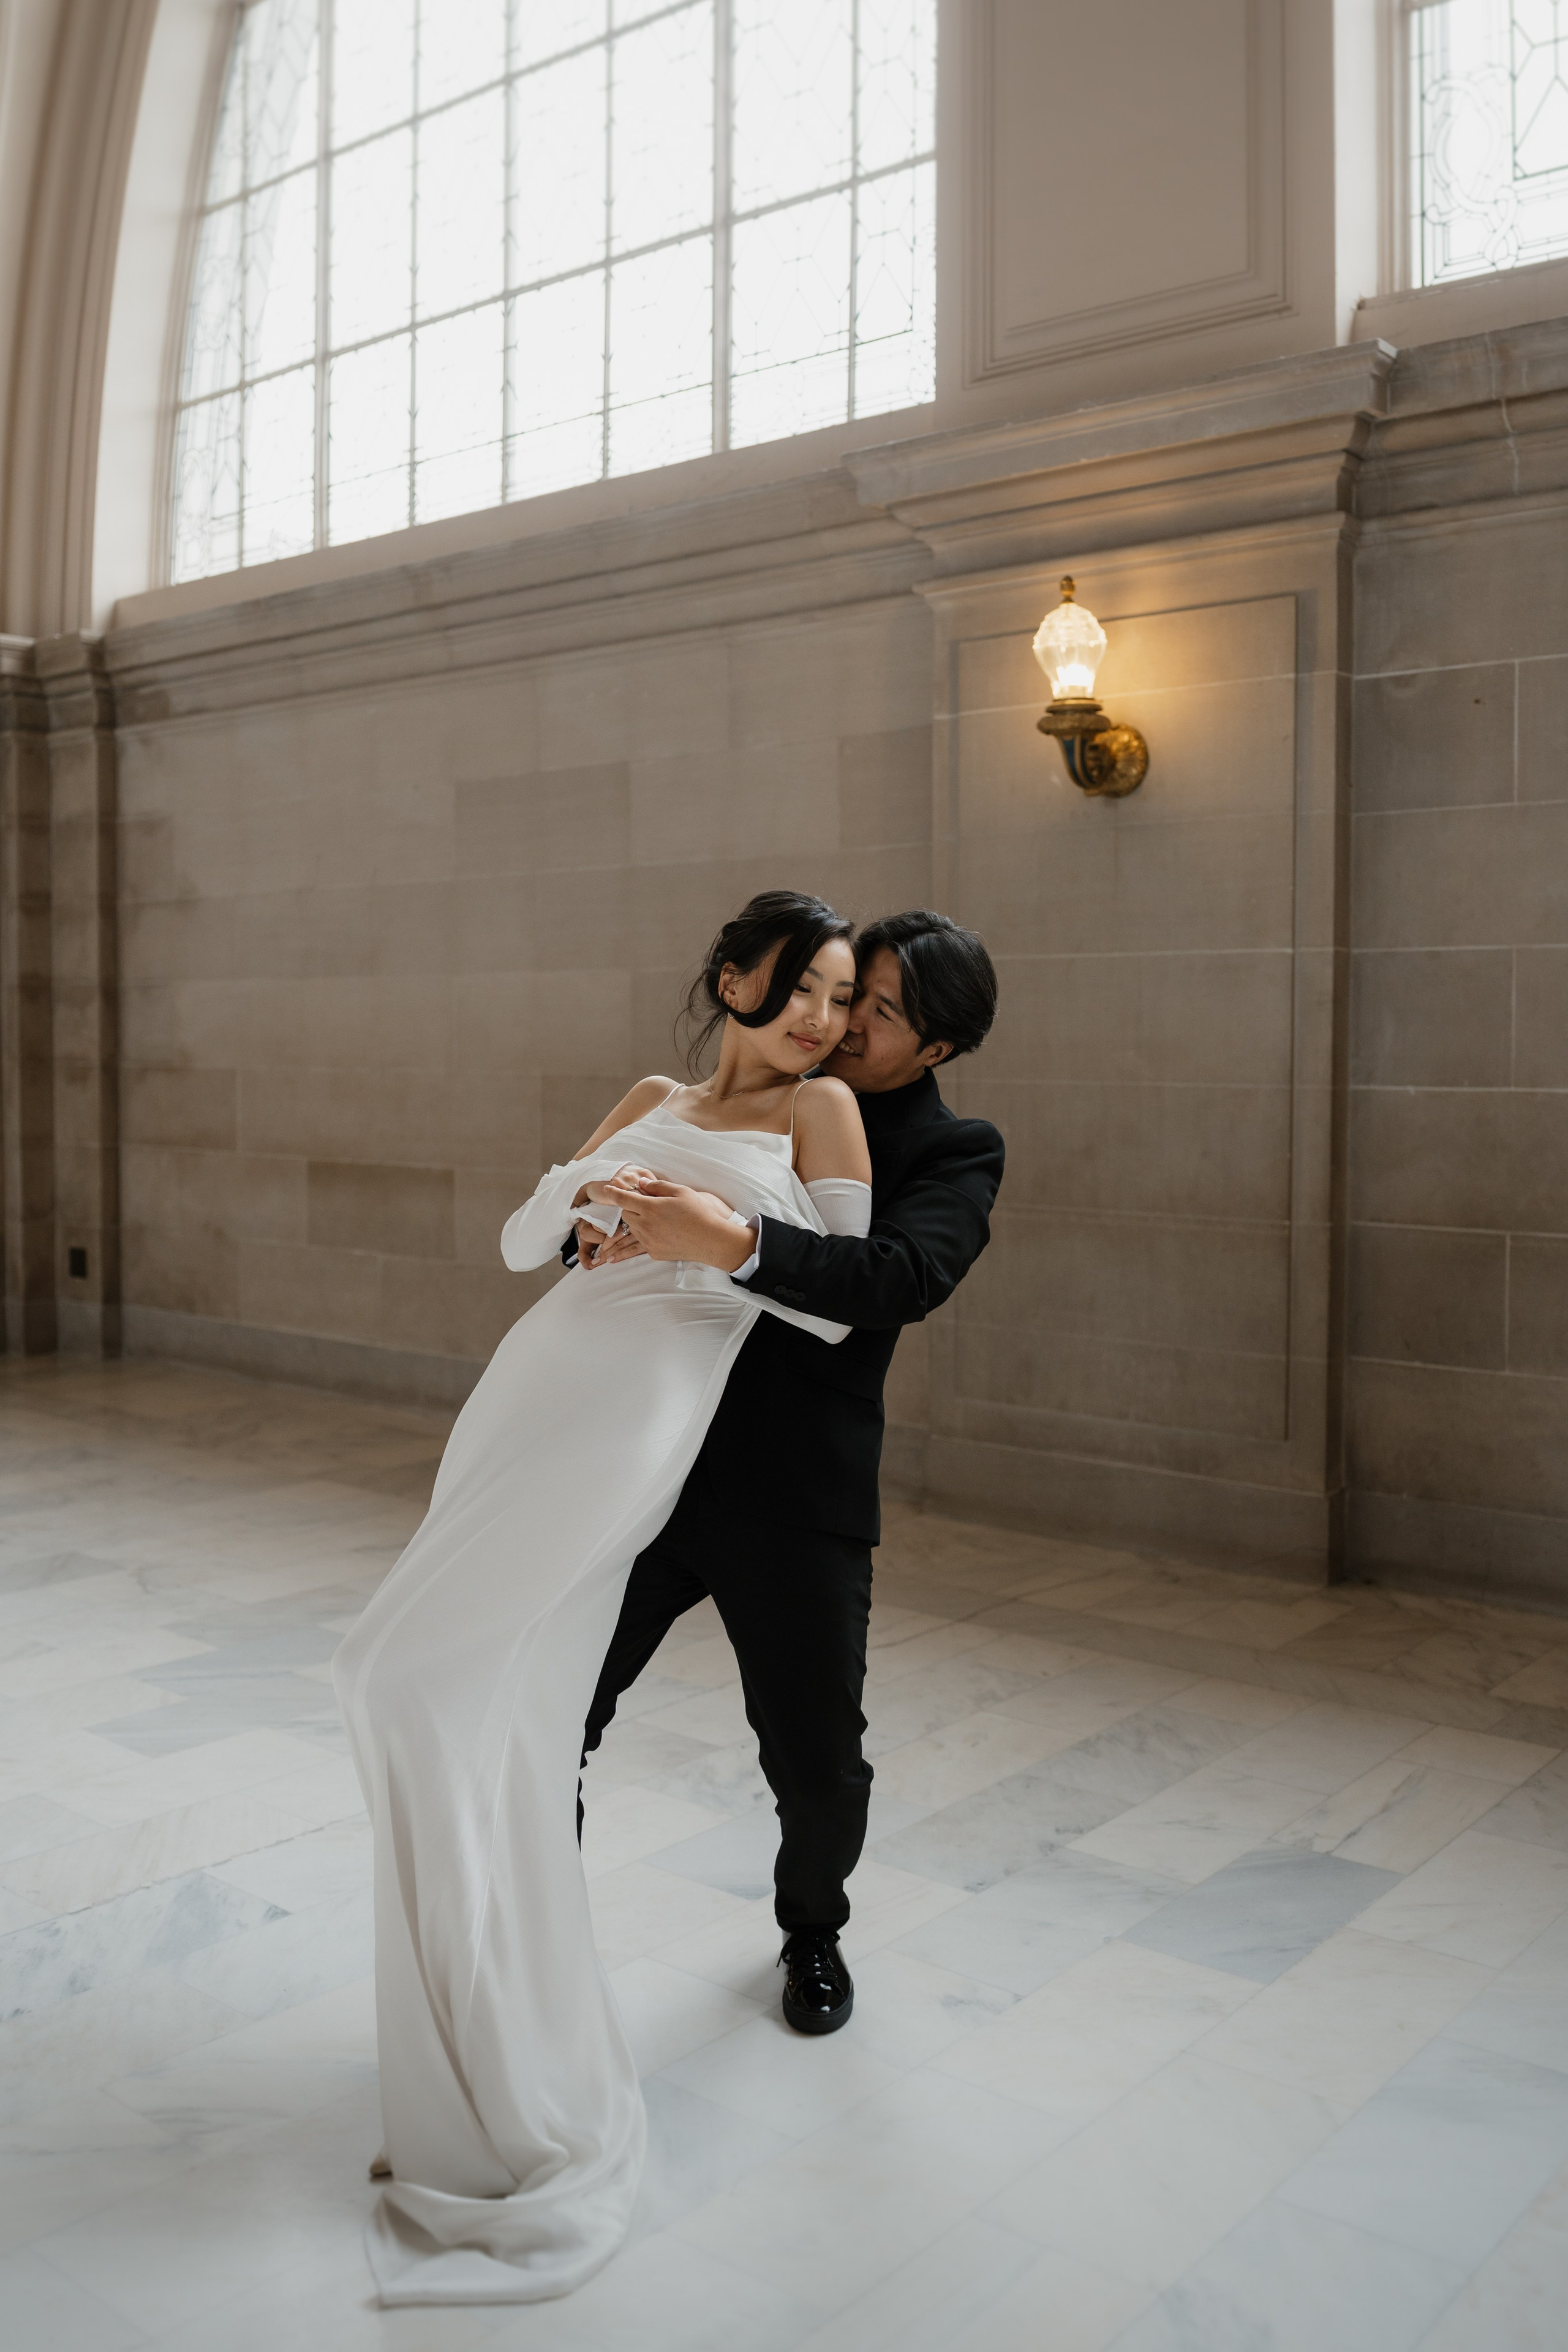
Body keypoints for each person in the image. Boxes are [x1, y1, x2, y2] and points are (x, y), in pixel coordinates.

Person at [332, 890, 875, 2307]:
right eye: (801, 987)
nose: (819, 1018)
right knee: (442, 1687)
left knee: (402, 1674)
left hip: (646, 1399)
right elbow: (520, 1247)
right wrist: (587, 1204)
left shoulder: (822, 1114)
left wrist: (703, 1232)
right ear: (730, 975)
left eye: (835, 996)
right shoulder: (647, 1092)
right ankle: (490, 2002)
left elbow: (836, 1302)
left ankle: (503, 2023)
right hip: (538, 1375)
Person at [576, 910, 1003, 2038]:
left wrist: (733, 1240)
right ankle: (532, 1928)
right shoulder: (734, 1091)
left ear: (937, 1049)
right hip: (646, 1461)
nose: (842, 1020)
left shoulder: (952, 1150)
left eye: (880, 1010)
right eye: (841, 989)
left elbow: (897, 1280)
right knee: (557, 1700)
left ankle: (813, 1930)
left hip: (798, 1486)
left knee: (818, 1763)